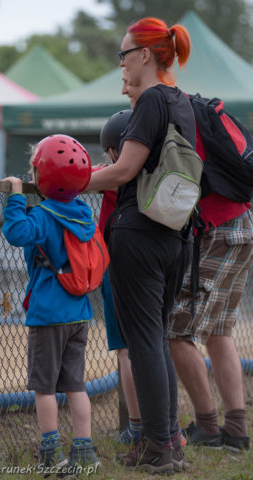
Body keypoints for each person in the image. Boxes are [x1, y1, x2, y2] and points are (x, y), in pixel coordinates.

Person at [85, 17, 195, 475]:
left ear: (145, 55)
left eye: (124, 55)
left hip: (138, 233)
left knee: (143, 342)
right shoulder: (183, 102)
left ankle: (156, 449)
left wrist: (66, 183)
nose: (122, 65)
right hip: (175, 236)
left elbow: (124, 170)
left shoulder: (150, 99)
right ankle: (169, 441)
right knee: (158, 340)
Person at [2, 134, 100, 475]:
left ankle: (50, 451)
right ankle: (84, 451)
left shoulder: (44, 215)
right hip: (79, 313)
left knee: (44, 387)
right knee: (75, 384)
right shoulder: (83, 212)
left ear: (40, 178)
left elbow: (16, 234)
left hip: (48, 314)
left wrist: (16, 196)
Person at [168, 125, 253, 451]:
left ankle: (207, 427)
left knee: (175, 331)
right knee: (219, 331)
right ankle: (236, 431)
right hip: (242, 221)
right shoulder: (201, 114)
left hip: (217, 229)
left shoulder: (165, 110)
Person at [98, 108, 142, 446]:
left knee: (127, 350)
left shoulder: (113, 174)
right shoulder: (157, 169)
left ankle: (137, 426)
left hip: (119, 262)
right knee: (154, 344)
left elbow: (85, 173)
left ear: (115, 150)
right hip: (157, 260)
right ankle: (163, 423)